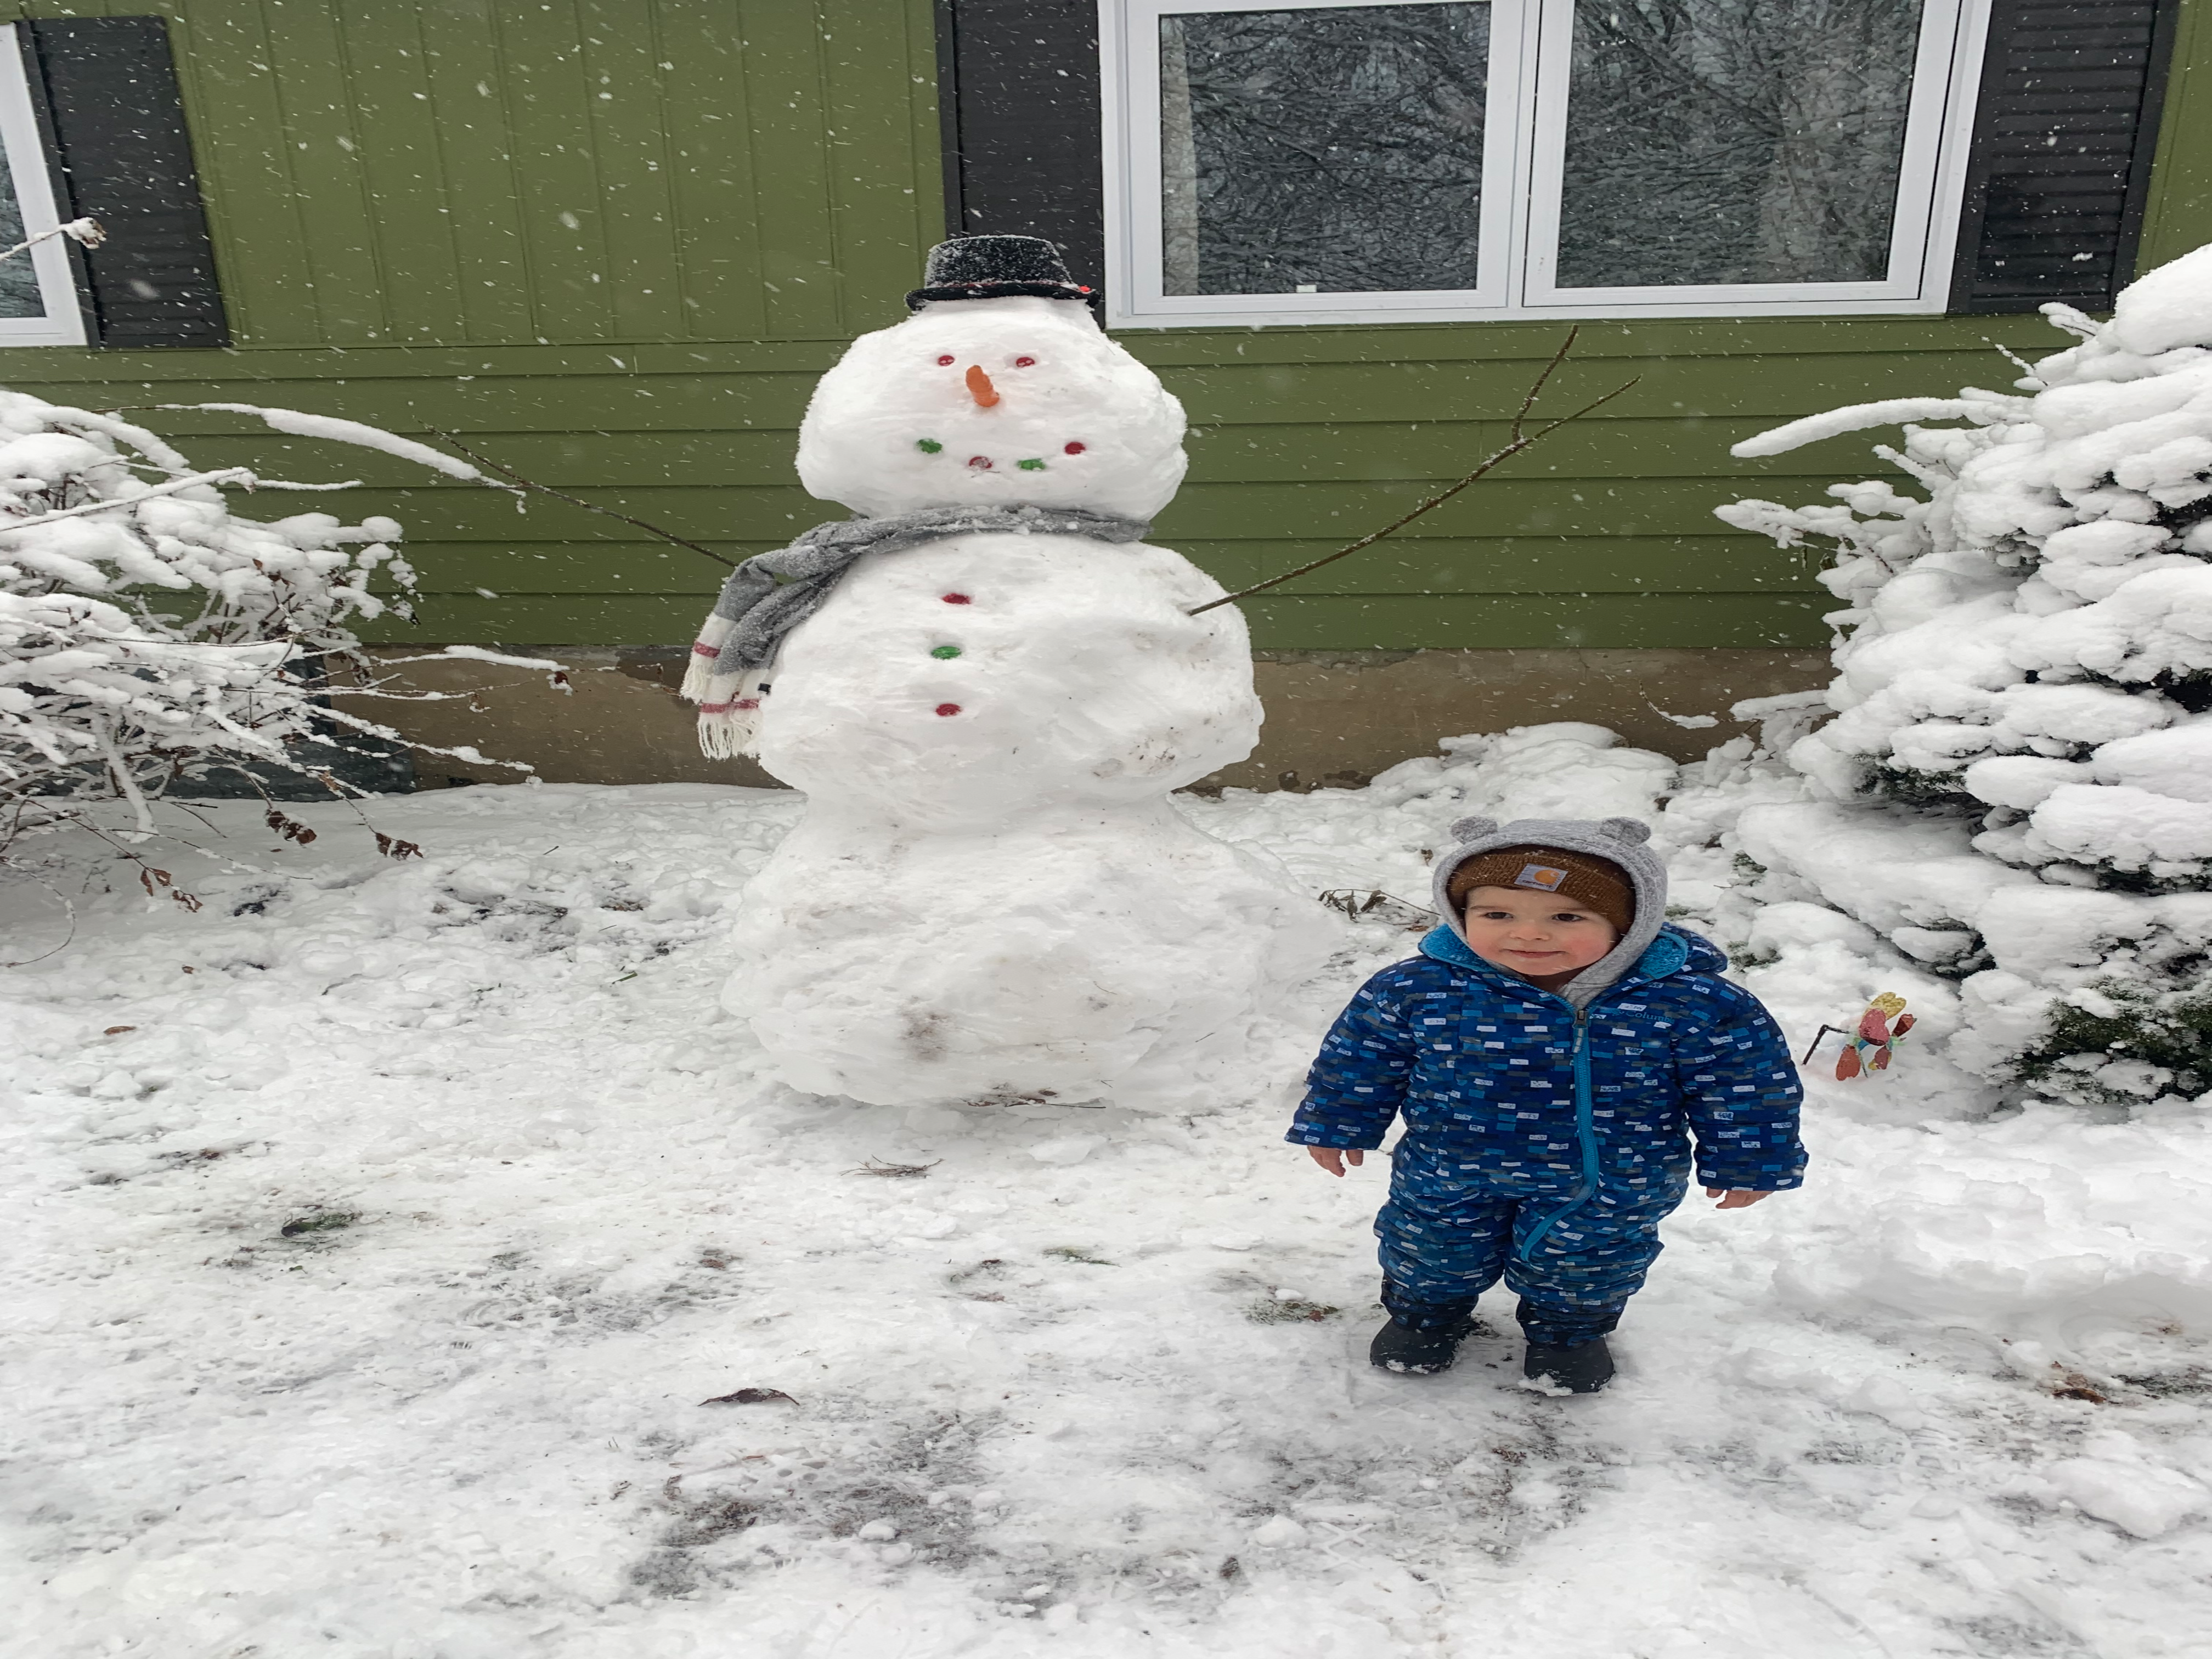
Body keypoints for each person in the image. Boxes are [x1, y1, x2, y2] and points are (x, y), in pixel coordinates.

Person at [1287, 814, 1805, 1393]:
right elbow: (1361, 1059)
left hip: (1612, 1177)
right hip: (1451, 1164)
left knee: (1590, 1260)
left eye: (1567, 917)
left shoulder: (1691, 1001)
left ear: (1630, 923)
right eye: (1497, 915)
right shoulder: (1417, 988)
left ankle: (1568, 1334)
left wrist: (1750, 1159)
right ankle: (1424, 1318)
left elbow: (1743, 1083)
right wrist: (1336, 1122)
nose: (1528, 934)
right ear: (1462, 916)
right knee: (1430, 1245)